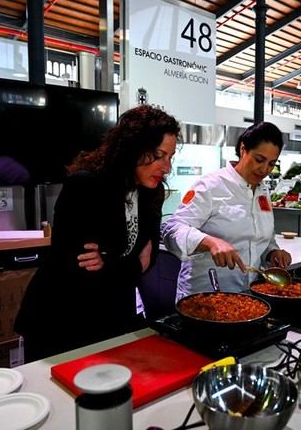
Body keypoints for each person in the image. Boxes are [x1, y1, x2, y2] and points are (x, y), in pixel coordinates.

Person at [14, 105, 180, 361]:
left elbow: (150, 258)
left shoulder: (151, 194)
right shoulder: (86, 185)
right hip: (61, 318)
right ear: (133, 148)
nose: (166, 167)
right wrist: (132, 265)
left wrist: (110, 262)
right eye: (158, 156)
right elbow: (78, 265)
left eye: (170, 157)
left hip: (111, 316)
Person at [162, 121, 291, 300]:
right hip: (205, 296)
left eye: (271, 164)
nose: (264, 169)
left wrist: (272, 253)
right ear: (243, 149)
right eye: (259, 160)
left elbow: (262, 238)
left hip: (247, 296)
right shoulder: (210, 186)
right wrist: (210, 242)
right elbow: (172, 229)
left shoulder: (262, 190)